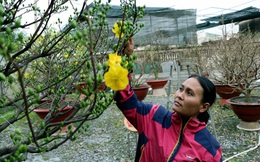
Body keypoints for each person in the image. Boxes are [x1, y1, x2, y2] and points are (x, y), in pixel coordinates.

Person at [114, 38, 222, 162]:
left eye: (189, 93)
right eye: (181, 89)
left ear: (203, 107)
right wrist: (124, 58)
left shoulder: (209, 148)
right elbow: (126, 99)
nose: (180, 95)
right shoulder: (153, 117)